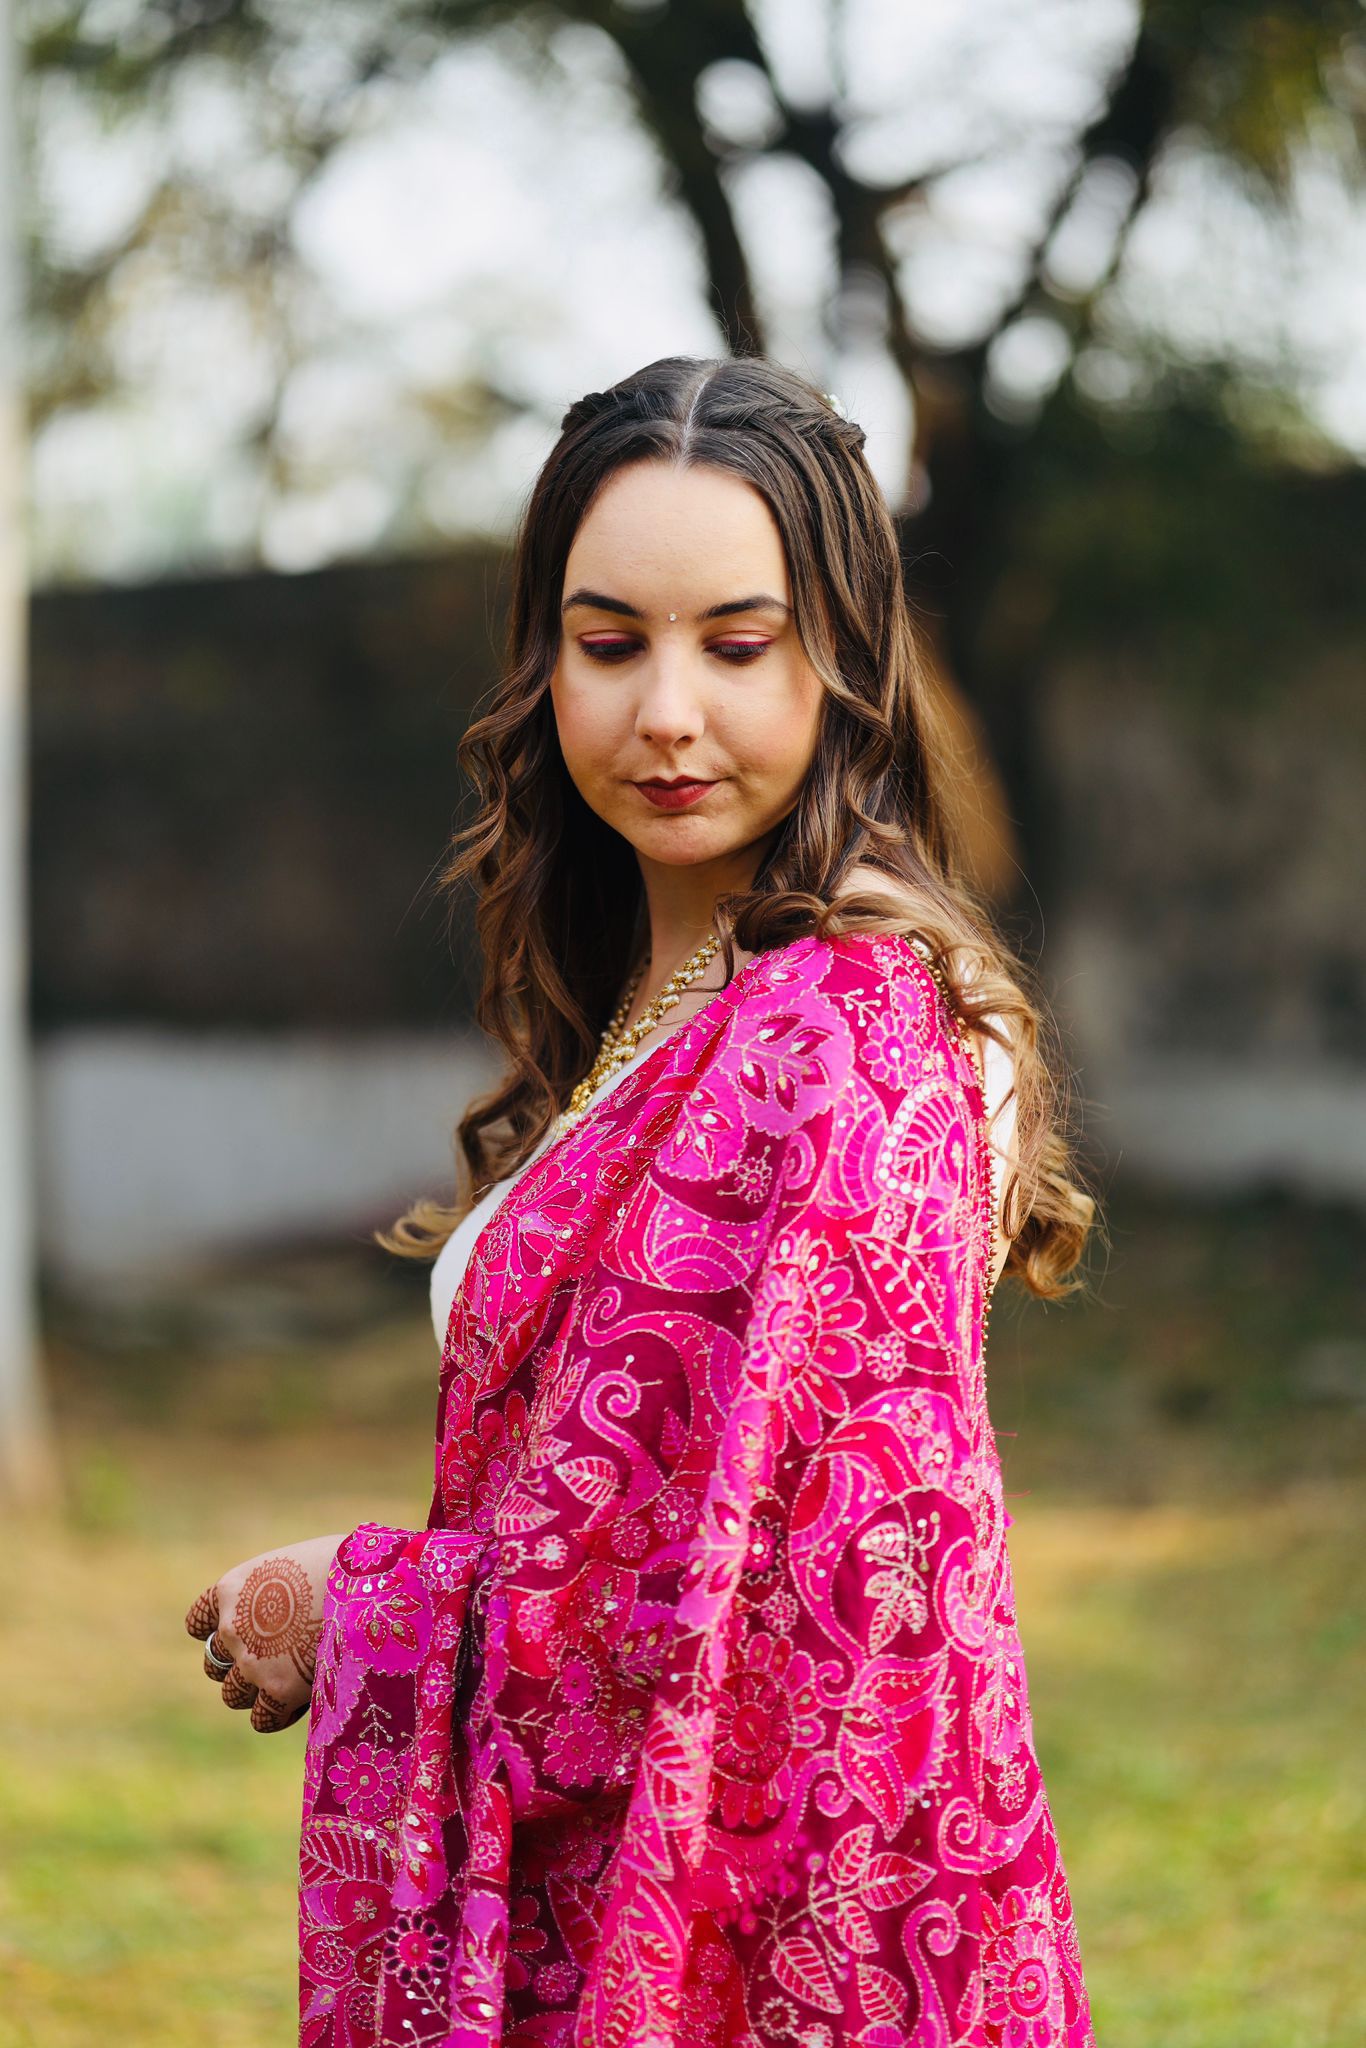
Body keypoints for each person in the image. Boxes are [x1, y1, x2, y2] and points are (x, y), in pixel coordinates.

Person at [184, 355, 1098, 2048]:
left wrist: (371, 1606)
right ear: (542, 666)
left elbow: (790, 1609)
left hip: (763, 1948)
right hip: (599, 1906)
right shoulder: (666, 998)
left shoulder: (847, 1030)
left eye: (735, 645)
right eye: (608, 645)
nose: (665, 710)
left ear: (841, 661)